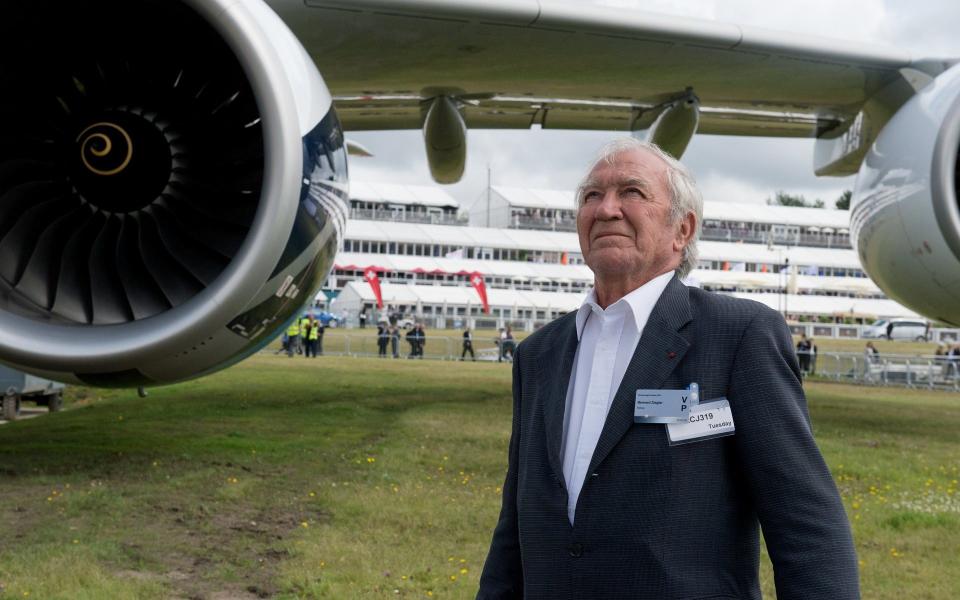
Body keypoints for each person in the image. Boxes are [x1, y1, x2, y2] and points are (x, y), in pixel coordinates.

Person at [477, 138, 858, 599]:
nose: (607, 209)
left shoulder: (739, 336)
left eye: (632, 192)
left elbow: (807, 527)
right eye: (591, 196)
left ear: (683, 229)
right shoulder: (538, 355)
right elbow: (513, 533)